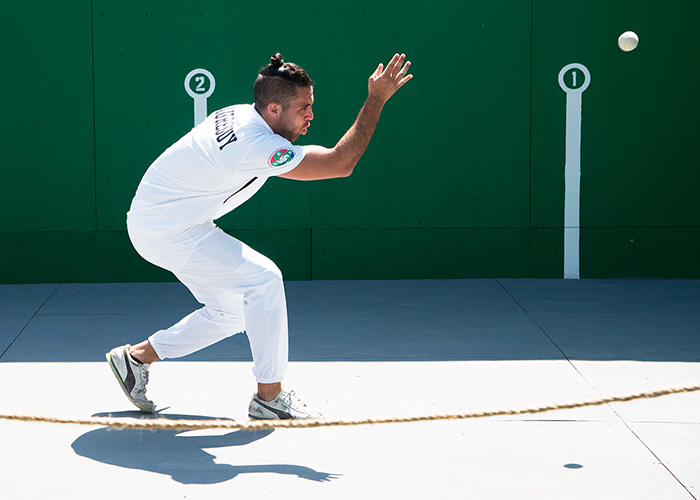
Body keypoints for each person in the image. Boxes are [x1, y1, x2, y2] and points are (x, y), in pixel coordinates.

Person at [106, 52, 413, 419]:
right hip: (167, 229)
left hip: (165, 220)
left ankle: (136, 358)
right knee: (264, 279)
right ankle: (269, 397)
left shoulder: (245, 114)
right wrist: (375, 99)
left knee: (234, 313)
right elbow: (338, 163)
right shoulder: (252, 145)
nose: (310, 116)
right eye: (304, 108)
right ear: (272, 109)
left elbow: (317, 155)